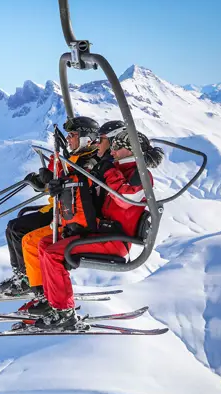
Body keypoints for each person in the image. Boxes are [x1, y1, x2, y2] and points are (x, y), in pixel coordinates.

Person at [22, 129, 164, 331]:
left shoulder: (139, 174)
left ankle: (64, 313)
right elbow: (87, 195)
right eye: (112, 146)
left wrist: (108, 171)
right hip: (101, 232)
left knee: (54, 253)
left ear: (130, 150)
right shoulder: (117, 170)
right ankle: (51, 300)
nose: (112, 151)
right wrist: (61, 187)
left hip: (115, 239)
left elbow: (126, 199)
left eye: (117, 147)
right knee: (45, 244)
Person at [0, 116, 100, 296]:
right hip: (60, 208)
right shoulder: (74, 156)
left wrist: (54, 181)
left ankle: (28, 278)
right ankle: (22, 275)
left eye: (72, 135)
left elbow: (78, 183)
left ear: (85, 138)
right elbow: (57, 178)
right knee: (13, 227)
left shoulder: (89, 161)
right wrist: (42, 181)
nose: (68, 139)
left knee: (20, 231)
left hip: (70, 213)